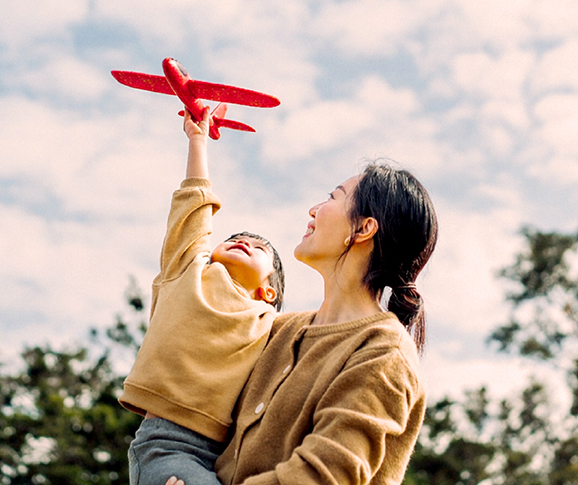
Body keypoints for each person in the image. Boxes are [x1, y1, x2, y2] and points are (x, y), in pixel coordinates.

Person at [167, 160, 438, 484]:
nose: (313, 210)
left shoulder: (384, 352)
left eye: (333, 198)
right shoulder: (280, 329)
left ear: (364, 228)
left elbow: (324, 475)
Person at [122, 106, 285, 485]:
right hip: (166, 445)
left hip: (230, 456)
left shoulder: (268, 323)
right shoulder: (188, 271)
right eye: (233, 239)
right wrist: (198, 140)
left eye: (259, 249)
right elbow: (194, 206)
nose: (244, 241)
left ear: (269, 291)